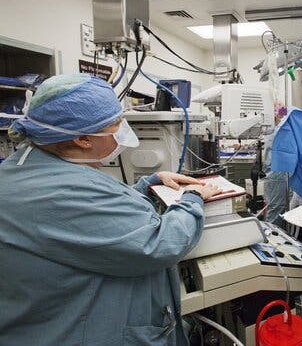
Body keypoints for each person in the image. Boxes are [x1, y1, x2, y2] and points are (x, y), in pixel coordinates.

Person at [0, 74, 221, 346]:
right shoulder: (62, 192)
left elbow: (94, 214)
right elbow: (158, 244)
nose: (123, 130)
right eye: (116, 123)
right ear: (83, 139)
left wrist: (148, 185)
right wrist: (192, 199)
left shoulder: (24, 167)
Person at [262, 102, 289, 226]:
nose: (284, 116)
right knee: (276, 210)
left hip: (275, 176)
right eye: (282, 113)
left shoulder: (272, 131)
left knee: (276, 208)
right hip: (277, 176)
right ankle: (272, 239)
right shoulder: (277, 132)